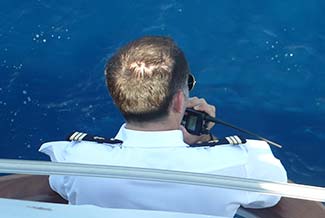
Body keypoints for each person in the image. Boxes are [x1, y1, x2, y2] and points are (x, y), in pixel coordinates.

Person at [39, 36, 287, 217]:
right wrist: (205, 140)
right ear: (180, 101)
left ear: (118, 97)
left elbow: (57, 184)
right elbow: (271, 197)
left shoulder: (75, 159)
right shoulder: (241, 163)